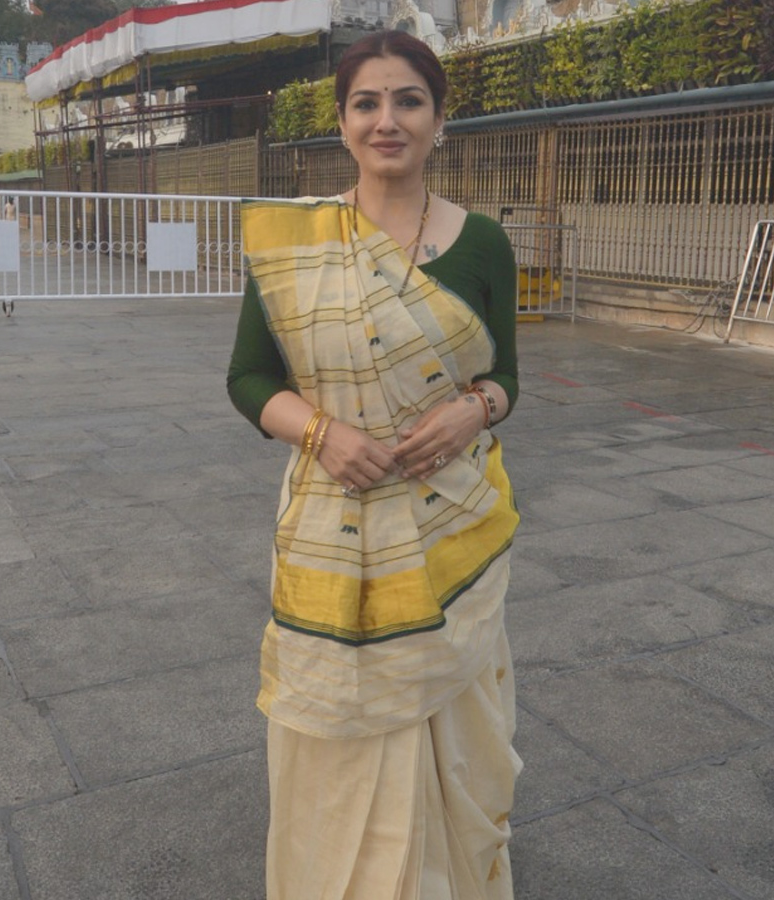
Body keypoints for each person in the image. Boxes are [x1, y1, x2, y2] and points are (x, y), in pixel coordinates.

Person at [228, 30, 522, 900]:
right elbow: (249, 379)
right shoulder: (296, 243)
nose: (386, 120)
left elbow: (507, 375)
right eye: (367, 102)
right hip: (335, 526)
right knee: (338, 734)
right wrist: (322, 434)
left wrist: (475, 409)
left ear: (440, 121)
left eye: (408, 101)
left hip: (452, 526)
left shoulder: (482, 243)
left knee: (456, 736)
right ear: (343, 122)